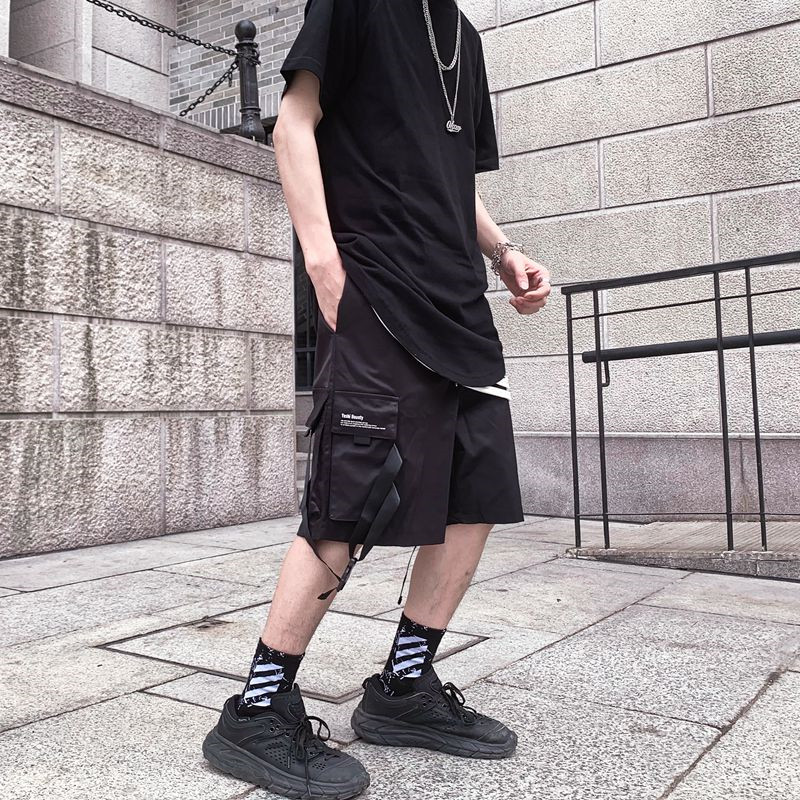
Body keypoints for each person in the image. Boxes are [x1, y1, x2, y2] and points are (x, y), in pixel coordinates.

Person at [202, 1, 551, 797]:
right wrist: (322, 261)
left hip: (458, 304)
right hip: (378, 288)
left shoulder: (464, 39)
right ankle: (256, 709)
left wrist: (503, 252)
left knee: (476, 495)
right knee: (351, 498)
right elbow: (293, 125)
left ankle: (403, 688)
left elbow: (447, 177)